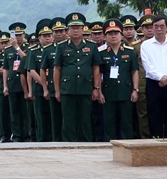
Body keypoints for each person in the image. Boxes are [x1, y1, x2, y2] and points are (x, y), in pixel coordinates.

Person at [54, 12, 101, 142]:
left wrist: (96, 88)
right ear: (68, 30)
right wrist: (57, 90)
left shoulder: (91, 46)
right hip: (67, 88)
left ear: (83, 29)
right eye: (72, 28)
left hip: (85, 87)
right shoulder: (61, 46)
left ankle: (86, 142)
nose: (75, 30)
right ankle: (69, 143)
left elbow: (96, 67)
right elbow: (57, 69)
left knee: (85, 118)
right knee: (68, 118)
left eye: (78, 27)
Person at [140, 15, 167, 138]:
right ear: (152, 28)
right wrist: (160, 77)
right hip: (153, 83)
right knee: (154, 113)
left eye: (162, 26)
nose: (159, 29)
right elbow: (147, 65)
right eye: (156, 26)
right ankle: (156, 139)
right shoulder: (146, 45)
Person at [98, 19, 139, 140]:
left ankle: (127, 145)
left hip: (125, 91)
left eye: (116, 33)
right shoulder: (101, 52)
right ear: (105, 37)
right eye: (110, 34)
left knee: (126, 122)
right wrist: (99, 91)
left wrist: (135, 89)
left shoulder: (129, 51)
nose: (113, 36)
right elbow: (98, 74)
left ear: (121, 35)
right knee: (109, 122)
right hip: (108, 91)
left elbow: (134, 71)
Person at [28, 20, 54, 141]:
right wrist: (44, 83)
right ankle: (41, 139)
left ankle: (54, 139)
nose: (47, 38)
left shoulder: (57, 49)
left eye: (49, 35)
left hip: (54, 88)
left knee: (53, 116)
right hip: (39, 89)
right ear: (39, 37)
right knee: (40, 117)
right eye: (44, 36)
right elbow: (32, 71)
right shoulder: (33, 51)